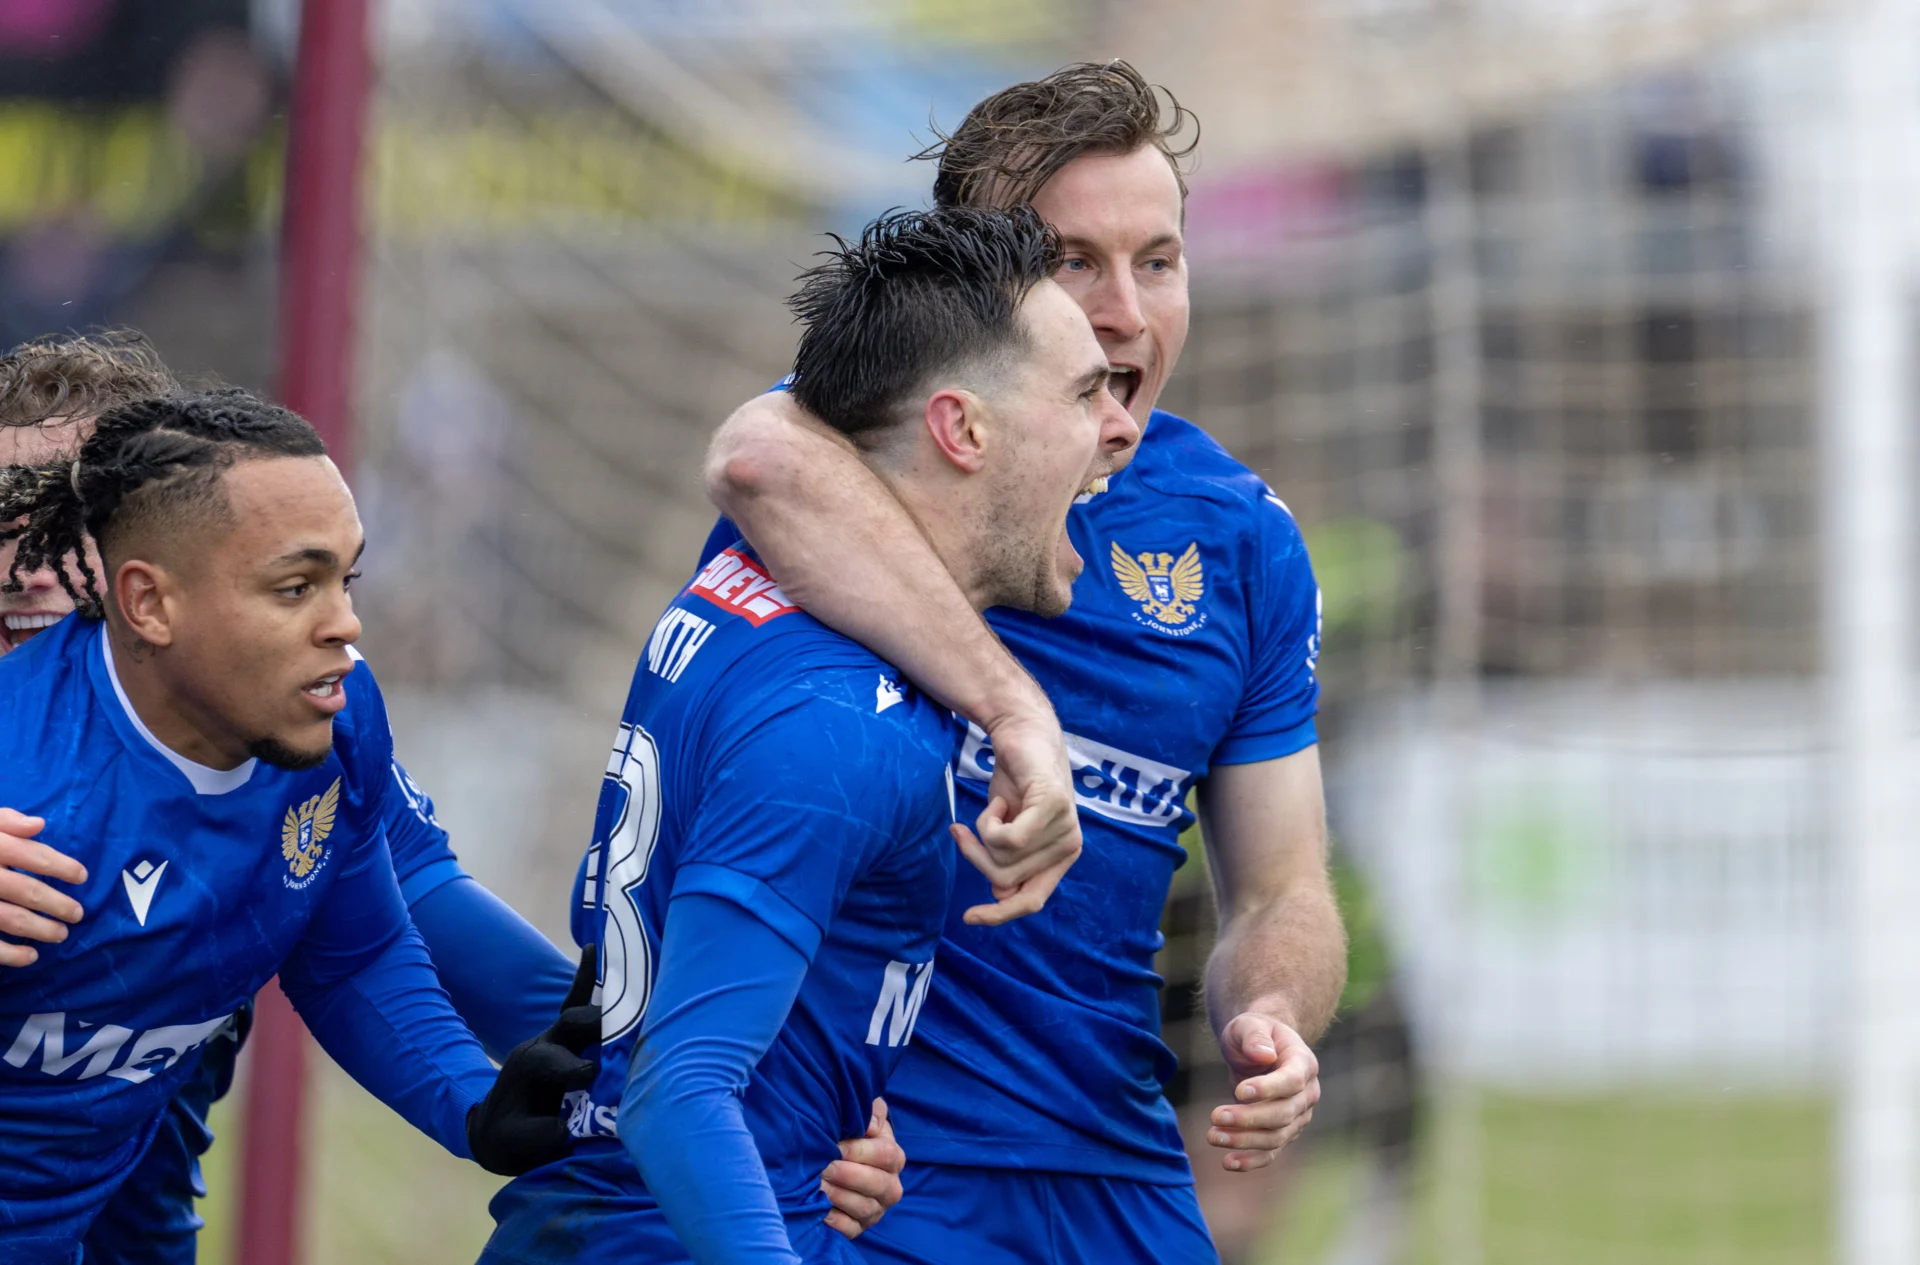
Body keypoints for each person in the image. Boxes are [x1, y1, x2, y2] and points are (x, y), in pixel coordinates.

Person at [0, 331, 909, 1260]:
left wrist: (767, 1114)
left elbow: (378, 927)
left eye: (66, 522)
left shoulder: (309, 726)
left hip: (123, 1160)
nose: (28, 562)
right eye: (7, 518)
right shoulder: (37, 758)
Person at [701, 62, 1347, 1263]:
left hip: (1116, 1162)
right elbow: (756, 457)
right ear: (972, 276)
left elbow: (1281, 889)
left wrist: (1272, 1013)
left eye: (1159, 261)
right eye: (1074, 263)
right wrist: (1015, 710)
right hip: (877, 1160)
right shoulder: (870, 450)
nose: (1126, 312)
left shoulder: (1240, 537)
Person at [478, 205, 1138, 1265]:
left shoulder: (748, 573)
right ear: (962, 430)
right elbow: (681, 1095)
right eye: (1084, 392)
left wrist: (819, 1108)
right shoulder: (842, 723)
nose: (1122, 427)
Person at [0, 388, 605, 1262]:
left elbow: (355, 949)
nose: (346, 623)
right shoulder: (32, 776)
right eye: (295, 586)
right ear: (149, 600)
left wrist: (482, 1104)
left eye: (344, 579)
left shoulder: (331, 723)